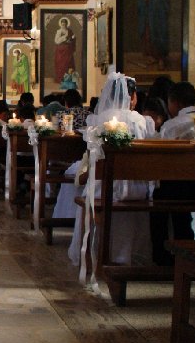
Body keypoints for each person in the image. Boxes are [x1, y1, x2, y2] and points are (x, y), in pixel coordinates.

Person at [54, 70, 154, 266]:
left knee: (92, 189)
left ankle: (95, 250)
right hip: (135, 187)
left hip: (102, 184)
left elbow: (93, 155)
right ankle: (128, 254)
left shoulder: (98, 120)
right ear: (132, 97)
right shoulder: (141, 121)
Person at [150, 81, 195, 265]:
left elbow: (160, 159)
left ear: (175, 102)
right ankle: (189, 257)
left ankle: (161, 257)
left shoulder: (171, 126)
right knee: (183, 219)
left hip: (174, 185)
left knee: (156, 208)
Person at [138, 0, 170, 70]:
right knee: (148, 36)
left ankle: (161, 58)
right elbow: (142, 2)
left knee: (158, 35)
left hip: (158, 17)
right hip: (148, 16)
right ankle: (152, 57)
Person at [53, 17, 76, 84]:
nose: (64, 25)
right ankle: (61, 79)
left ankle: (68, 79)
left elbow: (72, 40)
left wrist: (72, 38)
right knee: (61, 64)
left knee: (68, 64)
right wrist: (64, 37)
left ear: (66, 24)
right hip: (60, 50)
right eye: (62, 24)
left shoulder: (70, 31)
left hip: (68, 50)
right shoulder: (59, 31)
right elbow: (56, 41)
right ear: (61, 24)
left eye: (65, 23)